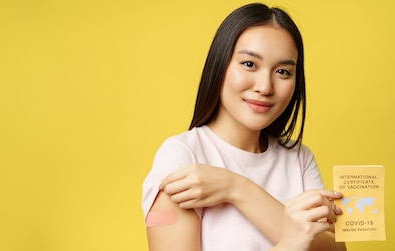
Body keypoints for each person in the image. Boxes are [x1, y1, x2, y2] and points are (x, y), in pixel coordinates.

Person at [141, 3, 347, 251]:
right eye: (249, 64)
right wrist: (290, 245)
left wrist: (237, 188)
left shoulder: (299, 158)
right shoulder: (182, 156)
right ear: (220, 65)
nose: (265, 87)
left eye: (283, 71)